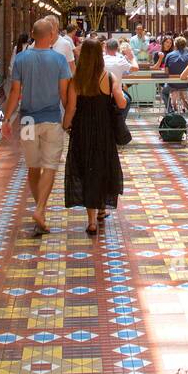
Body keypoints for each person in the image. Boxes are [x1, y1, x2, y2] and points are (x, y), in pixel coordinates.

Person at [3, 17, 70, 235]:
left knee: (33, 165)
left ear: (32, 34)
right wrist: (69, 116)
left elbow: (15, 92)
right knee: (49, 165)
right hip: (51, 119)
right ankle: (40, 209)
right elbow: (63, 93)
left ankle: (39, 209)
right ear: (51, 35)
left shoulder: (21, 59)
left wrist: (6, 118)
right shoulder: (59, 60)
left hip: (28, 120)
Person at [63, 38, 125, 235]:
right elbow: (122, 103)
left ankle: (91, 221)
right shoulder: (108, 78)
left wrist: (65, 126)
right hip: (104, 131)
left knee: (87, 170)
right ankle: (102, 209)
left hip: (82, 131)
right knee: (101, 167)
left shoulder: (76, 81)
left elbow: (71, 108)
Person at [163, 33, 188, 111]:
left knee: (164, 92)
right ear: (185, 45)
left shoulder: (169, 55)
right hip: (187, 85)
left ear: (175, 45)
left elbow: (166, 73)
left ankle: (170, 110)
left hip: (172, 84)